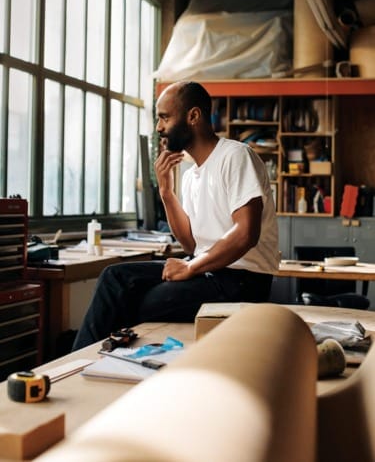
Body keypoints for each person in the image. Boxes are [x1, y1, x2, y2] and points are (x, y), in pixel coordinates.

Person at [72, 81, 279, 350]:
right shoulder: (192, 174)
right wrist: (167, 192)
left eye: (164, 117)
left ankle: (109, 365)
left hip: (243, 280)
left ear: (193, 116)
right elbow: (192, 245)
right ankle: (80, 362)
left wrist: (191, 266)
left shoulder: (235, 156)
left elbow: (246, 233)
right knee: (115, 278)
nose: (159, 128)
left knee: (146, 302)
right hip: (209, 271)